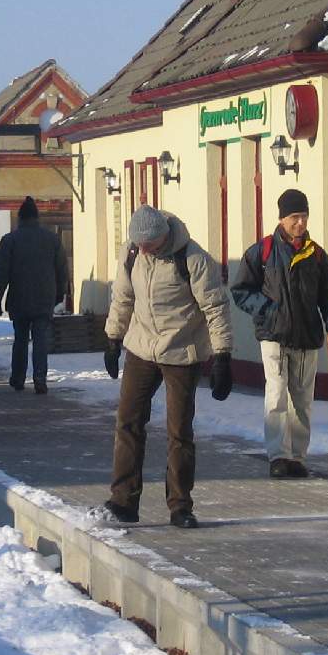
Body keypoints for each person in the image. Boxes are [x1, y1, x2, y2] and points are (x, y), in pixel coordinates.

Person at [101, 205, 233, 530]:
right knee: (128, 421)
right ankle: (123, 501)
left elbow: (215, 308)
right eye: (139, 244)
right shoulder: (132, 253)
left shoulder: (193, 259)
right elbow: (123, 297)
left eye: (149, 244)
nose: (144, 249)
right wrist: (113, 338)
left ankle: (180, 506)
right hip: (142, 347)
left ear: (163, 236)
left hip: (182, 351)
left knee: (179, 431)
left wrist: (223, 356)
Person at [232, 188, 328, 478]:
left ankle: (297, 457)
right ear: (282, 218)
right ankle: (278, 456)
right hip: (274, 337)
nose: (300, 223)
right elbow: (241, 290)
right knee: (276, 396)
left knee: (303, 402)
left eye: (304, 216)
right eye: (295, 217)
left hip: (307, 338)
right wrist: (268, 311)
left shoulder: (317, 255)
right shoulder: (262, 252)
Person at [0, 196, 68, 393]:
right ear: (36, 217)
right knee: (41, 339)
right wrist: (60, 293)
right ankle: (40, 378)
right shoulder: (52, 239)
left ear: (20, 218)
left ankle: (18, 378)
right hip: (45, 298)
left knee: (21, 339)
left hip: (19, 299)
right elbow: (62, 269)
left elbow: (2, 273)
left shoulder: (9, 240)